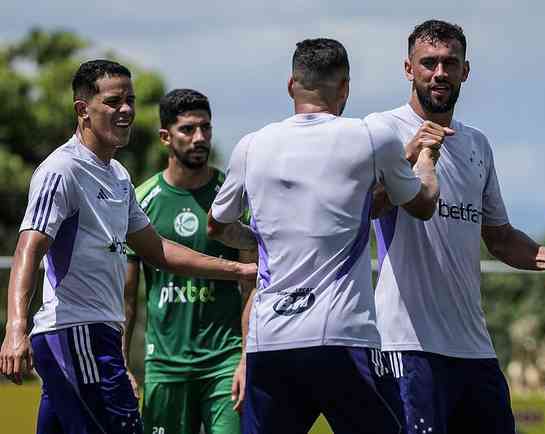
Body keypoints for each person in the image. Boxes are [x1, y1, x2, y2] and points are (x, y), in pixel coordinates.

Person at [0, 60, 256, 434]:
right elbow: (28, 247)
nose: (126, 111)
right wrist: (15, 328)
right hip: (77, 334)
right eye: (114, 101)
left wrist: (238, 268)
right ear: (82, 110)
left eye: (131, 101)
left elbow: (156, 249)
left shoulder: (118, 176)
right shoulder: (63, 170)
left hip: (93, 335)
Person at [207, 38, 439, 434]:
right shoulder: (371, 136)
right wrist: (427, 159)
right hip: (344, 338)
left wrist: (262, 240)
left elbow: (218, 226)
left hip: (271, 341)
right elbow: (421, 204)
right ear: (345, 87)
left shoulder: (251, 146)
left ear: (290, 85)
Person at [370, 20, 545, 434]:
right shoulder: (383, 131)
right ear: (408, 68)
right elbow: (360, 210)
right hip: (407, 345)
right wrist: (409, 156)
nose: (439, 73)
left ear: (465, 71)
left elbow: (500, 237)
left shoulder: (477, 145)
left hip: (473, 349)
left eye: (450, 63)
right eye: (428, 62)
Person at [123, 88, 255, 434]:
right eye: (188, 129)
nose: (200, 138)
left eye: (206, 128)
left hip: (224, 363)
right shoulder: (141, 201)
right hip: (165, 364)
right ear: (166, 136)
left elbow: (252, 283)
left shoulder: (231, 197)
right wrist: (122, 362)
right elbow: (125, 297)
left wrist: (245, 357)